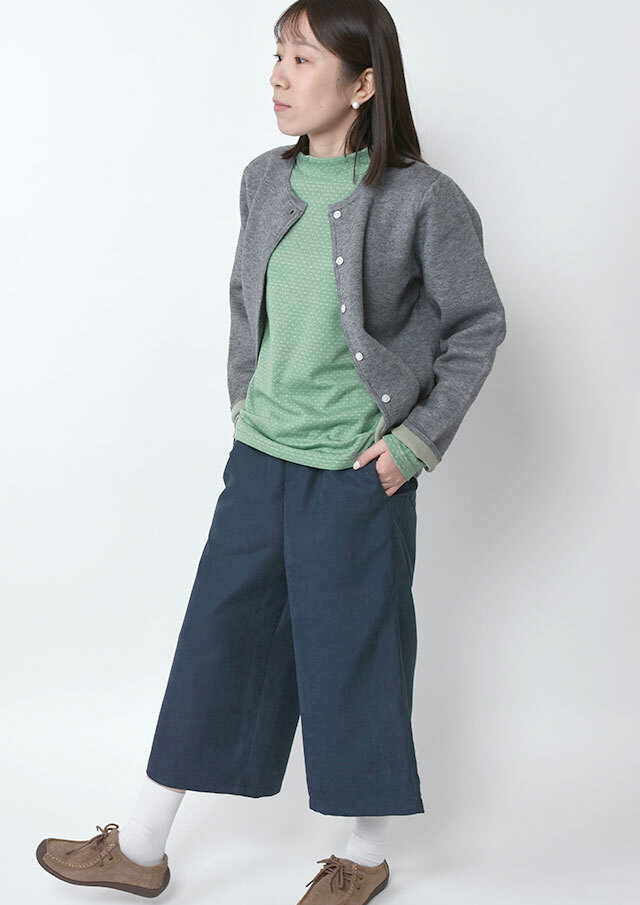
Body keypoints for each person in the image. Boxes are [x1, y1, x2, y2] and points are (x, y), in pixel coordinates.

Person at [35, 1, 507, 902]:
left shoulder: (423, 199)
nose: (279, 76)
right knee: (216, 640)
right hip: (260, 460)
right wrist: (244, 400)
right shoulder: (263, 179)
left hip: (357, 475)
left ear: (362, 84)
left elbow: (476, 324)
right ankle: (141, 845)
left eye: (301, 58)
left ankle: (364, 854)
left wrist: (414, 443)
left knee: (352, 654)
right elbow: (244, 305)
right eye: (277, 55)